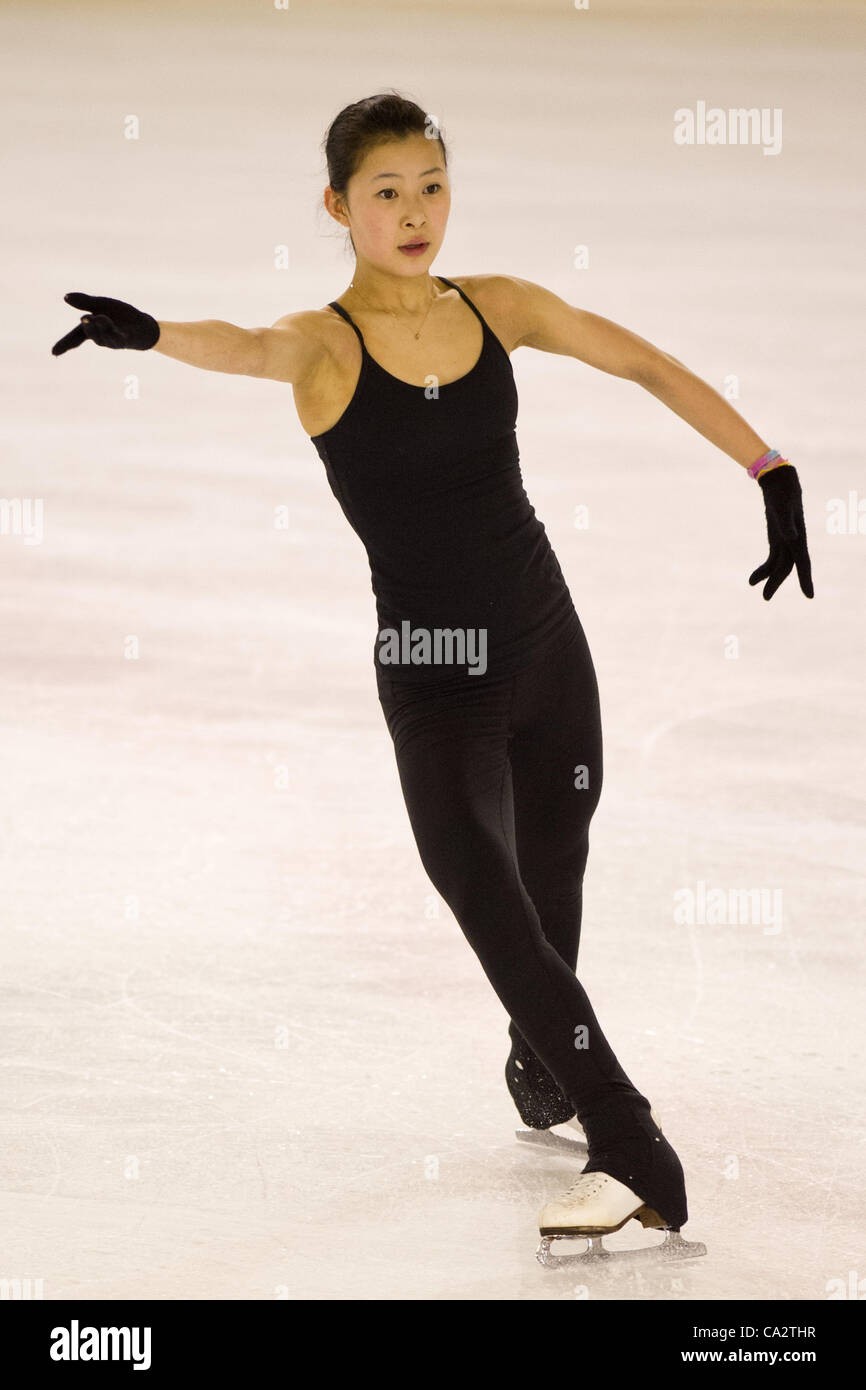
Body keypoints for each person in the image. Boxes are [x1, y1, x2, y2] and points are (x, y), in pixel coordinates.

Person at [52, 91, 813, 1255]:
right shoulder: (323, 343)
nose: (414, 215)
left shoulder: (496, 306)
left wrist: (767, 467)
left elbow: (642, 363)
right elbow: (243, 346)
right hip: (433, 668)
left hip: (546, 638)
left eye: (431, 187)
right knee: (487, 897)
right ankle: (630, 1145)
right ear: (337, 207)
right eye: (386, 194)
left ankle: (542, 1066)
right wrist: (151, 334)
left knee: (553, 870)